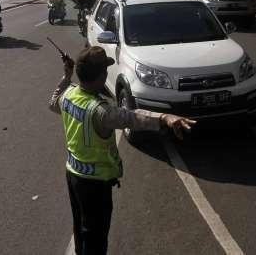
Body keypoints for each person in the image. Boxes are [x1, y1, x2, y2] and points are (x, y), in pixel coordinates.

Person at [49, 46, 196, 255]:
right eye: (105, 71)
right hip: (95, 185)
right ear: (101, 76)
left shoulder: (69, 95)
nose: (107, 73)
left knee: (82, 229)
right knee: (96, 238)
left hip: (73, 175)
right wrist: (164, 118)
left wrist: (66, 77)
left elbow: (52, 102)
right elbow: (132, 117)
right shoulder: (100, 111)